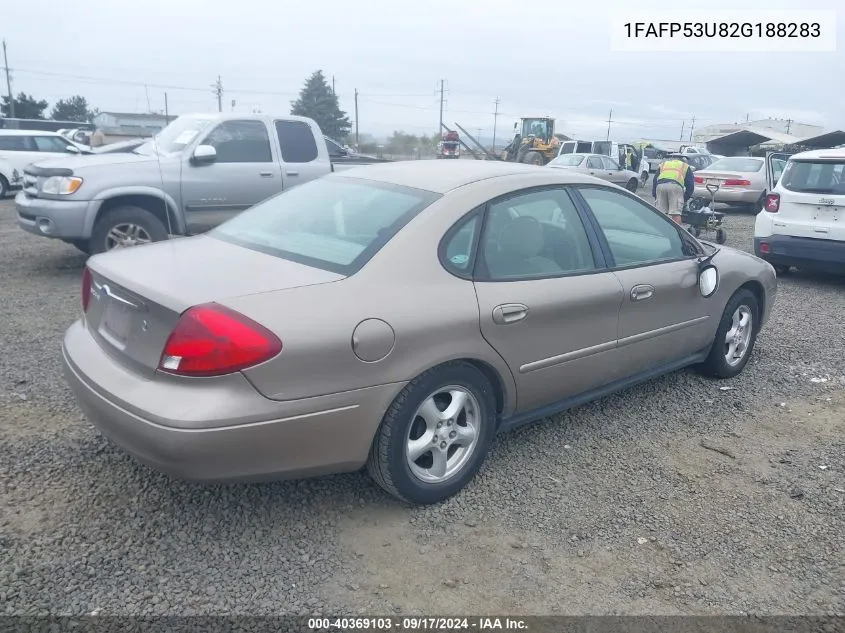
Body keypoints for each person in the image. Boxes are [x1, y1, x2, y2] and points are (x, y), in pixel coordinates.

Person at [652, 154, 694, 224]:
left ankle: (659, 232)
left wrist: (655, 194)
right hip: (675, 186)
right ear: (683, 160)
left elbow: (655, 180)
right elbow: (690, 185)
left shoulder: (664, 164)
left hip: (660, 186)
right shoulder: (685, 166)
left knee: (660, 213)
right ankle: (677, 234)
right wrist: (685, 198)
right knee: (676, 214)